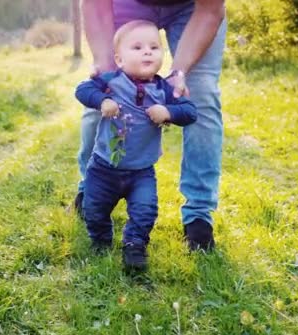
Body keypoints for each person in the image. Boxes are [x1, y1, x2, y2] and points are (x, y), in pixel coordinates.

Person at [75, 0, 226, 252]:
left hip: (193, 8)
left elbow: (210, 10)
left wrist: (179, 72)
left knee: (201, 94)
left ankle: (198, 214)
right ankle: (90, 187)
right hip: (128, 3)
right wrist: (104, 63)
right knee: (106, 86)